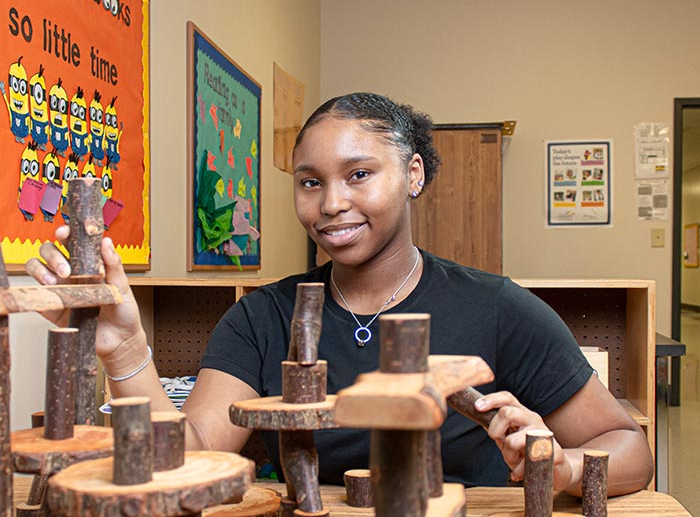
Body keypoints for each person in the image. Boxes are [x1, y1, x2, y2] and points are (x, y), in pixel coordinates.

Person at [27, 92, 653, 495]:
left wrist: (561, 464)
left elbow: (628, 448)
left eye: (359, 175)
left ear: (412, 175)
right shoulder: (260, 317)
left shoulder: (497, 307)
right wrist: (126, 348)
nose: (330, 204)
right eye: (309, 182)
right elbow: (184, 455)